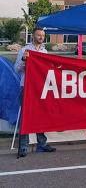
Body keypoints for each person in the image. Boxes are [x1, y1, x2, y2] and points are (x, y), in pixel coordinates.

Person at [14, 27, 56, 158]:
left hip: (40, 88)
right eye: (39, 35)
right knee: (25, 116)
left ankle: (42, 144)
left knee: (40, 115)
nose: (41, 38)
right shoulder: (24, 50)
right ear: (33, 36)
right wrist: (23, 60)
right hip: (26, 87)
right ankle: (23, 147)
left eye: (43, 36)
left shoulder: (45, 51)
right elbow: (16, 69)